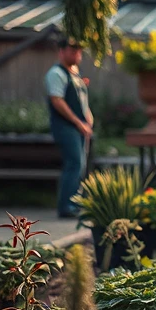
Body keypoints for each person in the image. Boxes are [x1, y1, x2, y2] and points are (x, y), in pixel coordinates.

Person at [45, 37, 93, 218]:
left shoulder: (75, 73)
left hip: (80, 128)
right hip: (66, 127)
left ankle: (75, 202)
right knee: (74, 163)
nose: (77, 54)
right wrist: (78, 122)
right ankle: (66, 206)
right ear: (62, 51)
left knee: (80, 165)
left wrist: (88, 119)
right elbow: (57, 101)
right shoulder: (56, 74)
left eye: (79, 51)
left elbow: (81, 101)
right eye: (72, 51)